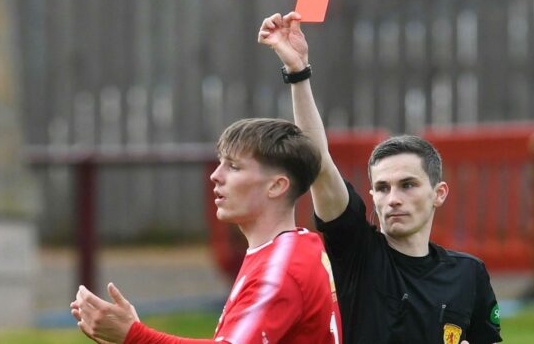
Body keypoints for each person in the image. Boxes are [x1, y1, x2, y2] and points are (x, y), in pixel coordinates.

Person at [258, 12, 502, 344]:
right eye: (382, 188)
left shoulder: (468, 274)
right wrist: (298, 72)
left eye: (408, 185)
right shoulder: (357, 252)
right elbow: (316, 161)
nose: (393, 198)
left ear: (439, 193)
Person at [70, 118, 343, 344]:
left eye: (234, 167)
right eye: (220, 162)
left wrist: (134, 336)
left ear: (276, 186)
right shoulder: (300, 247)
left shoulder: (281, 269)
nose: (216, 175)